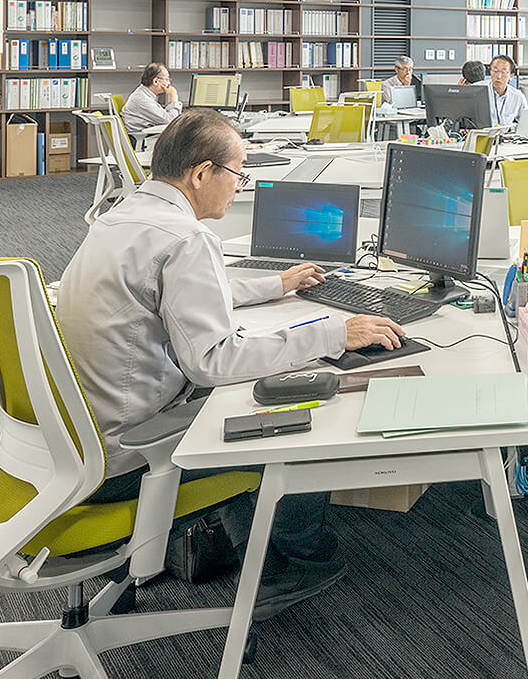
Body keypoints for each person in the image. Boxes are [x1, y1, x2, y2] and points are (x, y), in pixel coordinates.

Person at [57, 107, 405, 619]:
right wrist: (334, 333)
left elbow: (176, 296)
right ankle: (297, 563)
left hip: (75, 442)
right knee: (289, 409)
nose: (242, 185)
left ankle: (255, 555)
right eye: (239, 173)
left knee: (245, 391)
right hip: (131, 455)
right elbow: (213, 362)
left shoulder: (124, 216)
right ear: (202, 173)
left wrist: (275, 284)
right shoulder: (186, 238)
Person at [122, 62, 183, 136]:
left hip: (144, 135)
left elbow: (165, 117)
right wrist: (173, 95)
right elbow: (171, 121)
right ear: (156, 81)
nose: (169, 83)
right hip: (140, 139)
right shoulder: (142, 99)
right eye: (167, 79)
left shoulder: (144, 94)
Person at [486, 54, 527, 126]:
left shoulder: (518, 96)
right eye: (495, 71)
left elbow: (526, 121)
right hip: (482, 132)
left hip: (506, 132)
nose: (498, 76)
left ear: (511, 76)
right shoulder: (479, 91)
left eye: (503, 72)